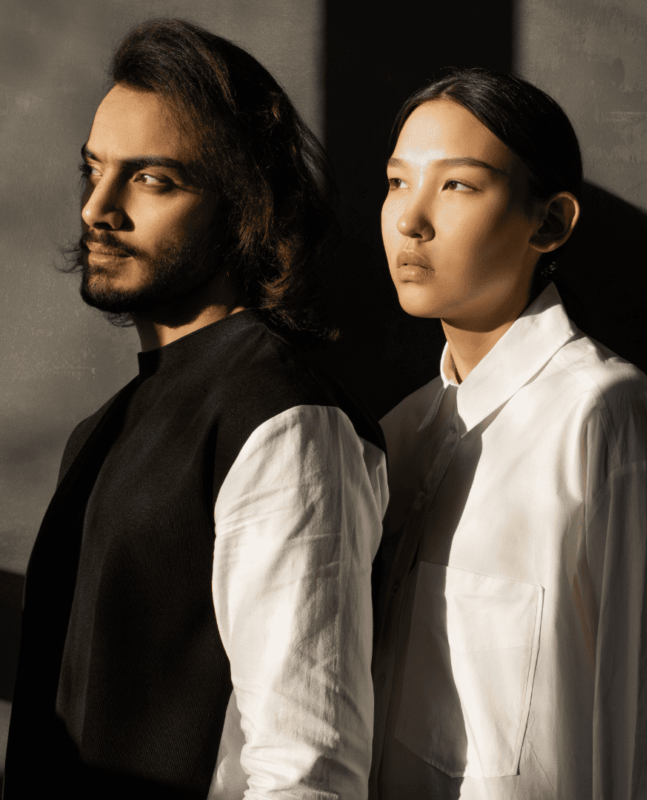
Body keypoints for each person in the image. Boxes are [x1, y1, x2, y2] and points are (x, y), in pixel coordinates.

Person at [4, 19, 387, 800]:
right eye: (93, 171)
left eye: (152, 180)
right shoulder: (101, 430)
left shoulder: (281, 419)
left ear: (243, 207)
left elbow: (306, 768)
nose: (98, 208)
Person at [370, 68, 647, 799]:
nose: (411, 220)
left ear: (551, 222)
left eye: (457, 185)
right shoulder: (400, 432)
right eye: (398, 182)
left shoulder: (603, 416)